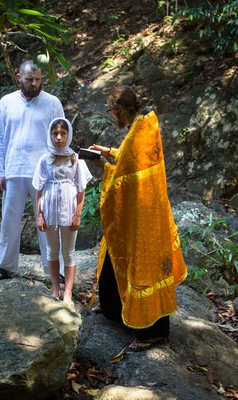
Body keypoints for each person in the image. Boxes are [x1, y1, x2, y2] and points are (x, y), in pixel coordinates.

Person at [88, 85, 187, 351]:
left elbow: (123, 180)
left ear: (120, 110)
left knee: (145, 267)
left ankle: (154, 332)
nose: (112, 117)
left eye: (112, 112)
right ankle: (112, 306)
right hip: (151, 212)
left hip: (141, 218)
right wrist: (111, 151)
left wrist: (104, 167)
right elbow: (133, 162)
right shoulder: (147, 128)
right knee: (112, 254)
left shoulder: (136, 137)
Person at [0, 60, 64, 281]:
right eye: (30, 79)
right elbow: (0, 138)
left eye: (38, 79)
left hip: (44, 171)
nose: (34, 83)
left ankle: (54, 270)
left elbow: (61, 137)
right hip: (13, 168)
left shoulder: (52, 103)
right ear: (19, 77)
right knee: (9, 220)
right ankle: (6, 266)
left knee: (48, 221)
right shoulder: (6, 102)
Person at [33, 117, 92, 304]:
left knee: (69, 252)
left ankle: (68, 291)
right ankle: (56, 288)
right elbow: (39, 189)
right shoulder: (45, 160)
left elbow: (81, 190)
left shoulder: (75, 159)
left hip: (69, 210)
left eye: (63, 134)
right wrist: (40, 215)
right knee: (52, 251)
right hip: (49, 211)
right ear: (50, 135)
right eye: (55, 133)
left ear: (69, 135)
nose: (59, 137)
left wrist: (77, 215)